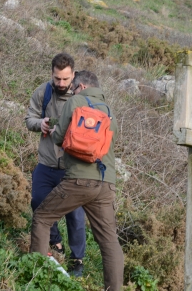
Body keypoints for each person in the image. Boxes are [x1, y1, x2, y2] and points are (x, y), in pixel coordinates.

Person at [30, 70, 124, 290]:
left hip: (79, 180)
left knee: (42, 218)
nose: (70, 89)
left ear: (81, 86)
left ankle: (35, 276)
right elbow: (111, 142)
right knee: (109, 240)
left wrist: (54, 128)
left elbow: (59, 137)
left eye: (73, 87)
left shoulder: (76, 101)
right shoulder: (109, 110)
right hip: (106, 183)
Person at [25, 53, 86, 276]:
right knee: (39, 202)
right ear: (51, 74)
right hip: (46, 163)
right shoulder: (43, 92)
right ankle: (55, 242)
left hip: (73, 167)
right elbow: (29, 119)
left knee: (75, 214)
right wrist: (39, 123)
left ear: (73, 75)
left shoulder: (81, 94)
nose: (61, 83)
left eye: (65, 79)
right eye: (57, 78)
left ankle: (77, 260)